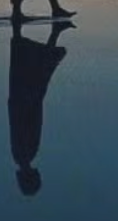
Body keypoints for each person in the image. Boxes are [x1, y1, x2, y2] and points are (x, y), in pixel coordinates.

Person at [8, 17, 73, 196]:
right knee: (37, 68)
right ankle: (54, 31)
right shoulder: (22, 156)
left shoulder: (24, 155)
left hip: (26, 102)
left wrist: (34, 102)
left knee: (37, 68)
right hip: (23, 102)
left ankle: (55, 31)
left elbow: (28, 125)